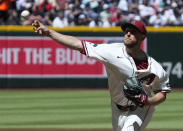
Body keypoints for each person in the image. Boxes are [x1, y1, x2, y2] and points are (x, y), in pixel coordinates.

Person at [32, 19, 171, 131]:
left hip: (140, 110)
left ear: (143, 37)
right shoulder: (110, 52)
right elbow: (77, 44)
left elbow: (162, 92)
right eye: (126, 31)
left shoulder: (155, 68)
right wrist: (49, 32)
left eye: (133, 32)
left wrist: (149, 102)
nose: (128, 34)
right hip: (117, 108)